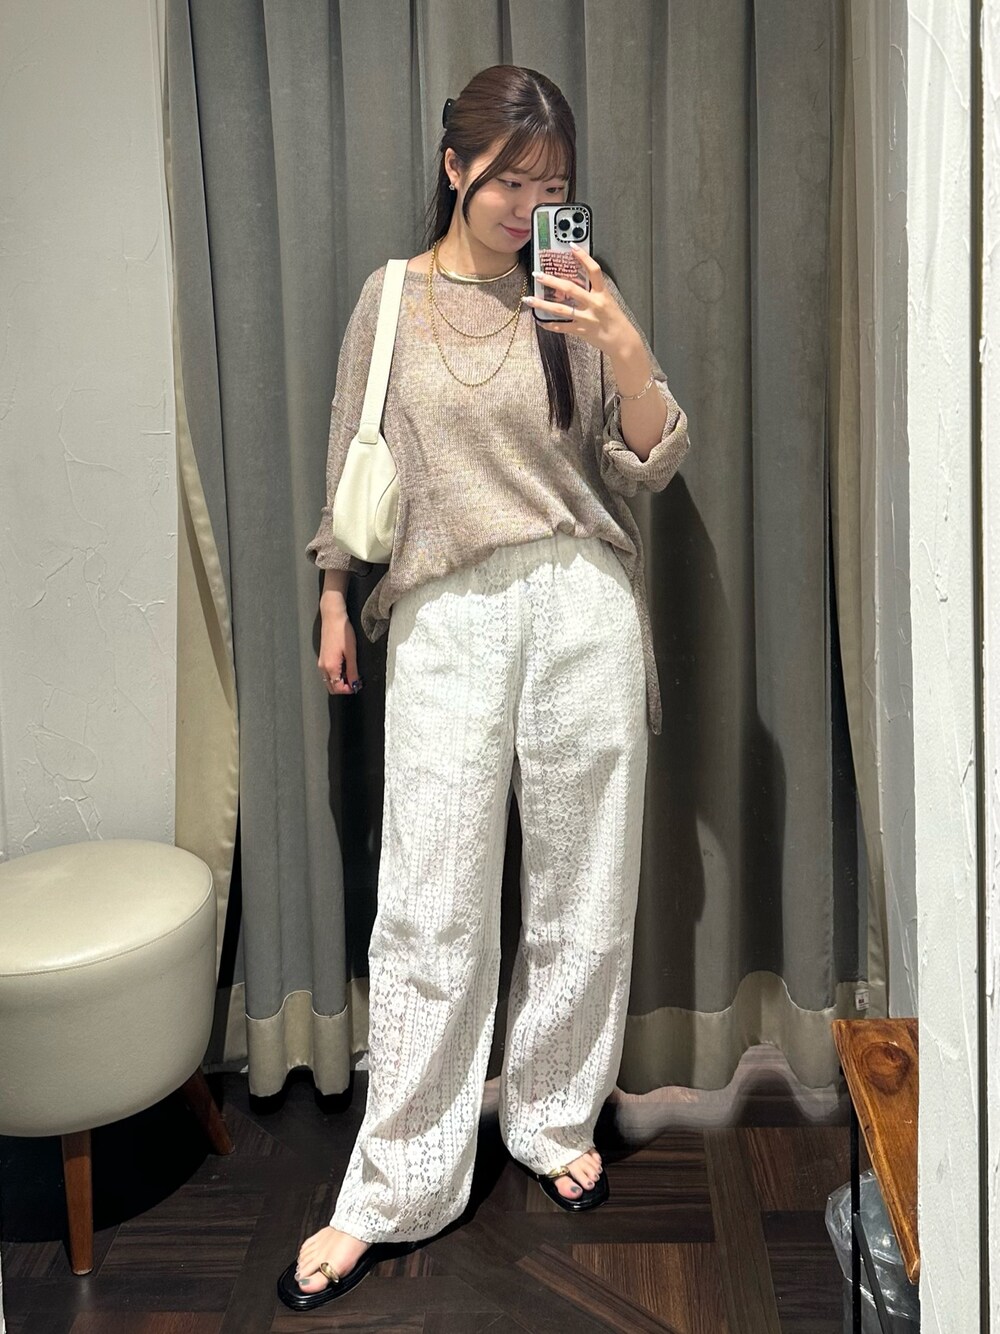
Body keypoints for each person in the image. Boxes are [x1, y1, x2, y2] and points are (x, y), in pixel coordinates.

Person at [277, 64, 690, 1312]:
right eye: (510, 179)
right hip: (446, 611)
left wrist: (621, 342)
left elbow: (648, 461)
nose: (527, 205)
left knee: (583, 887)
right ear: (455, 166)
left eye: (551, 184)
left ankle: (554, 1112)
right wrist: (335, 597)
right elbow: (350, 452)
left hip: (579, 600)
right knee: (430, 903)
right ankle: (393, 1183)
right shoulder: (391, 298)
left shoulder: (575, 292)